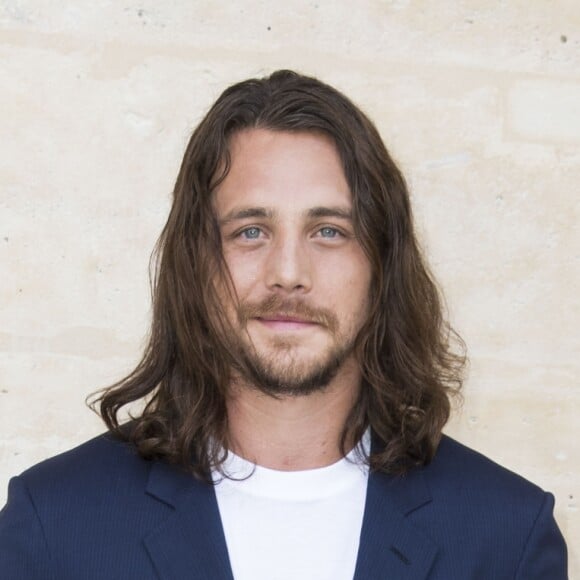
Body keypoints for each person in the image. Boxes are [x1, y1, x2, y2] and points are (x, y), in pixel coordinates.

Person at [0, 70, 567, 579]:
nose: (288, 273)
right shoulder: (53, 524)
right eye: (251, 231)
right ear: (195, 264)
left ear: (382, 267)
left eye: (328, 231)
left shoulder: (507, 535)